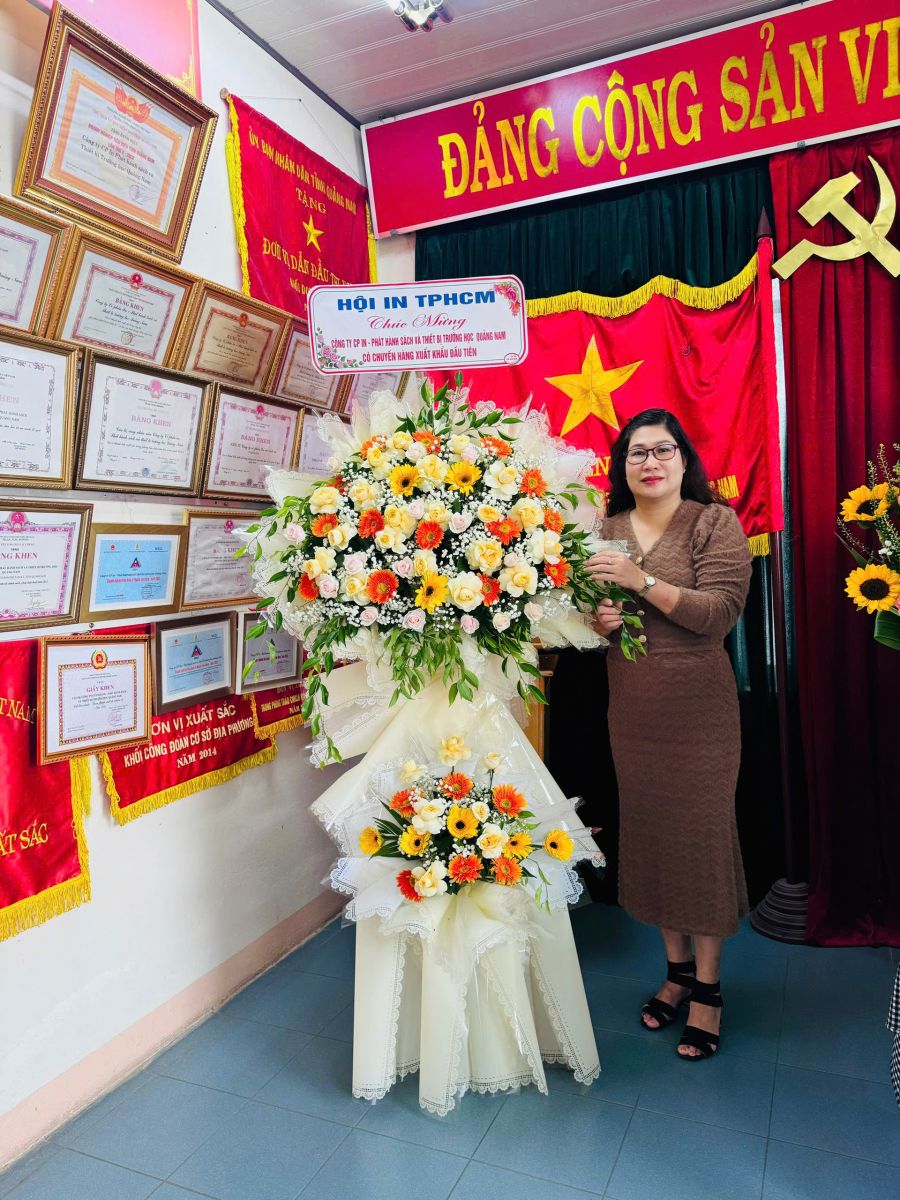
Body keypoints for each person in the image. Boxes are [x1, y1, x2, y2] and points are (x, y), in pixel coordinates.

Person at [586, 409, 751, 1060]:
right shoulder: (606, 530)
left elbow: (719, 614)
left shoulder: (713, 522)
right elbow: (588, 614)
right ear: (622, 466)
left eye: (662, 450)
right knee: (653, 839)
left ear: (684, 459)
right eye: (636, 453)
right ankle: (677, 973)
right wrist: (598, 620)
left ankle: (709, 990)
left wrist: (641, 581)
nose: (649, 462)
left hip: (699, 715)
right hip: (633, 712)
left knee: (699, 843)